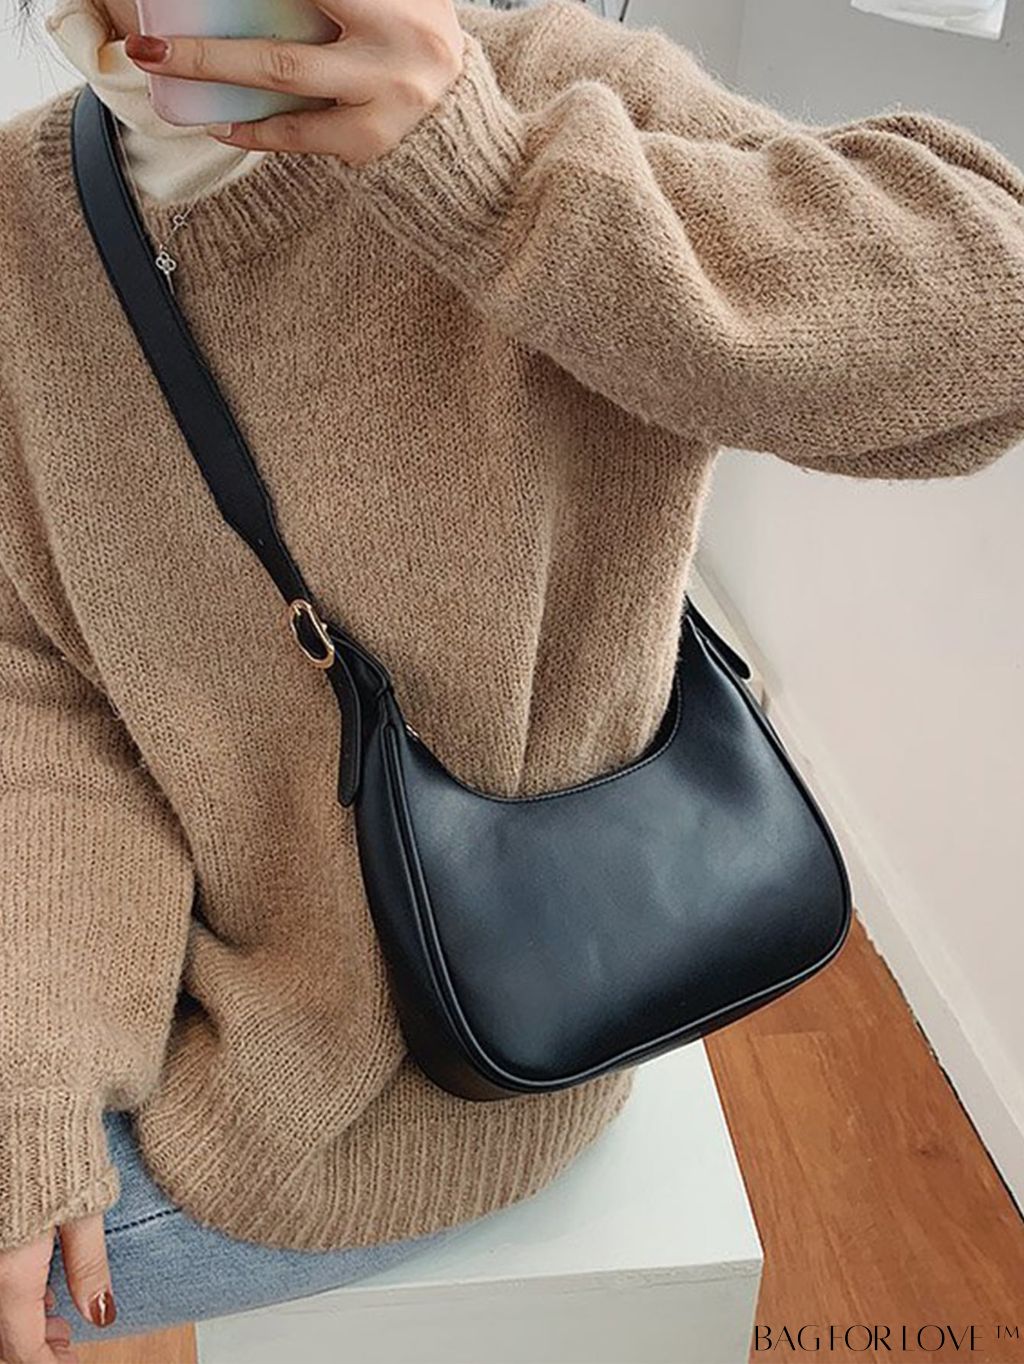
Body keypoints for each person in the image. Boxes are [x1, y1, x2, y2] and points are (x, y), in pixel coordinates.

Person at [2, 0, 1023, 1357]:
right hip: (188, 976)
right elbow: (48, 695)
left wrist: (490, 181)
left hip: (464, 1054)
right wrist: (38, 1072)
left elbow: (990, 315)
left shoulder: (535, 81)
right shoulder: (20, 231)